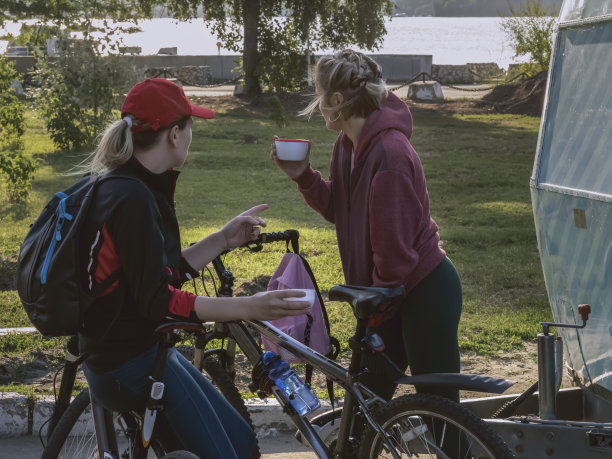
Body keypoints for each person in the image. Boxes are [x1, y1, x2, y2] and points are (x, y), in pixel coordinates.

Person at [78, 78, 311, 458]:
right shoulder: (133, 198)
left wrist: (222, 239)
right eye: (190, 127)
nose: (191, 136)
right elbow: (158, 300)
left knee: (241, 442)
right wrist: (250, 307)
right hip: (128, 364)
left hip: (136, 354)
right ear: (173, 134)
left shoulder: (130, 184)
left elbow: (155, 272)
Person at [271, 50, 463, 404]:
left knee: (442, 413)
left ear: (338, 99)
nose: (318, 104)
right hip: (387, 293)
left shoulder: (389, 155)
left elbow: (395, 252)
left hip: (422, 291)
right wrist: (304, 177)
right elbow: (342, 209)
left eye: (319, 94)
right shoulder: (347, 146)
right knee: (362, 405)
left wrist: (374, 312)